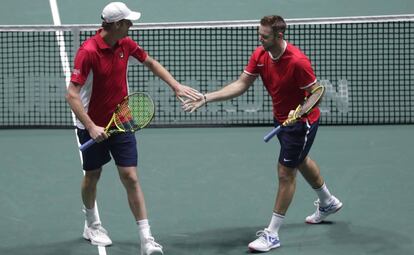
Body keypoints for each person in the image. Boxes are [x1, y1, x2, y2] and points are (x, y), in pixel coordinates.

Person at [182, 15, 343, 253]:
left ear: (279, 35)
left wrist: (301, 112)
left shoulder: (298, 62)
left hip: (301, 124)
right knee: (299, 160)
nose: (260, 38)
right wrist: (207, 98)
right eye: (259, 33)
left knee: (285, 172)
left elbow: (317, 92)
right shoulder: (260, 55)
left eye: (264, 36)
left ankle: (272, 234)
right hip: (281, 119)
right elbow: (241, 84)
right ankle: (328, 202)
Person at [65, 2, 202, 254]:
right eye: (128, 22)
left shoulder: (125, 44)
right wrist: (91, 126)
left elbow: (149, 62)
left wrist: (175, 85)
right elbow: (72, 94)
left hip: (121, 119)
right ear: (116, 25)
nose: (131, 25)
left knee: (130, 176)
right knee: (92, 175)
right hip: (92, 124)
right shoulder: (88, 52)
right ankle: (91, 224)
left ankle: (146, 238)